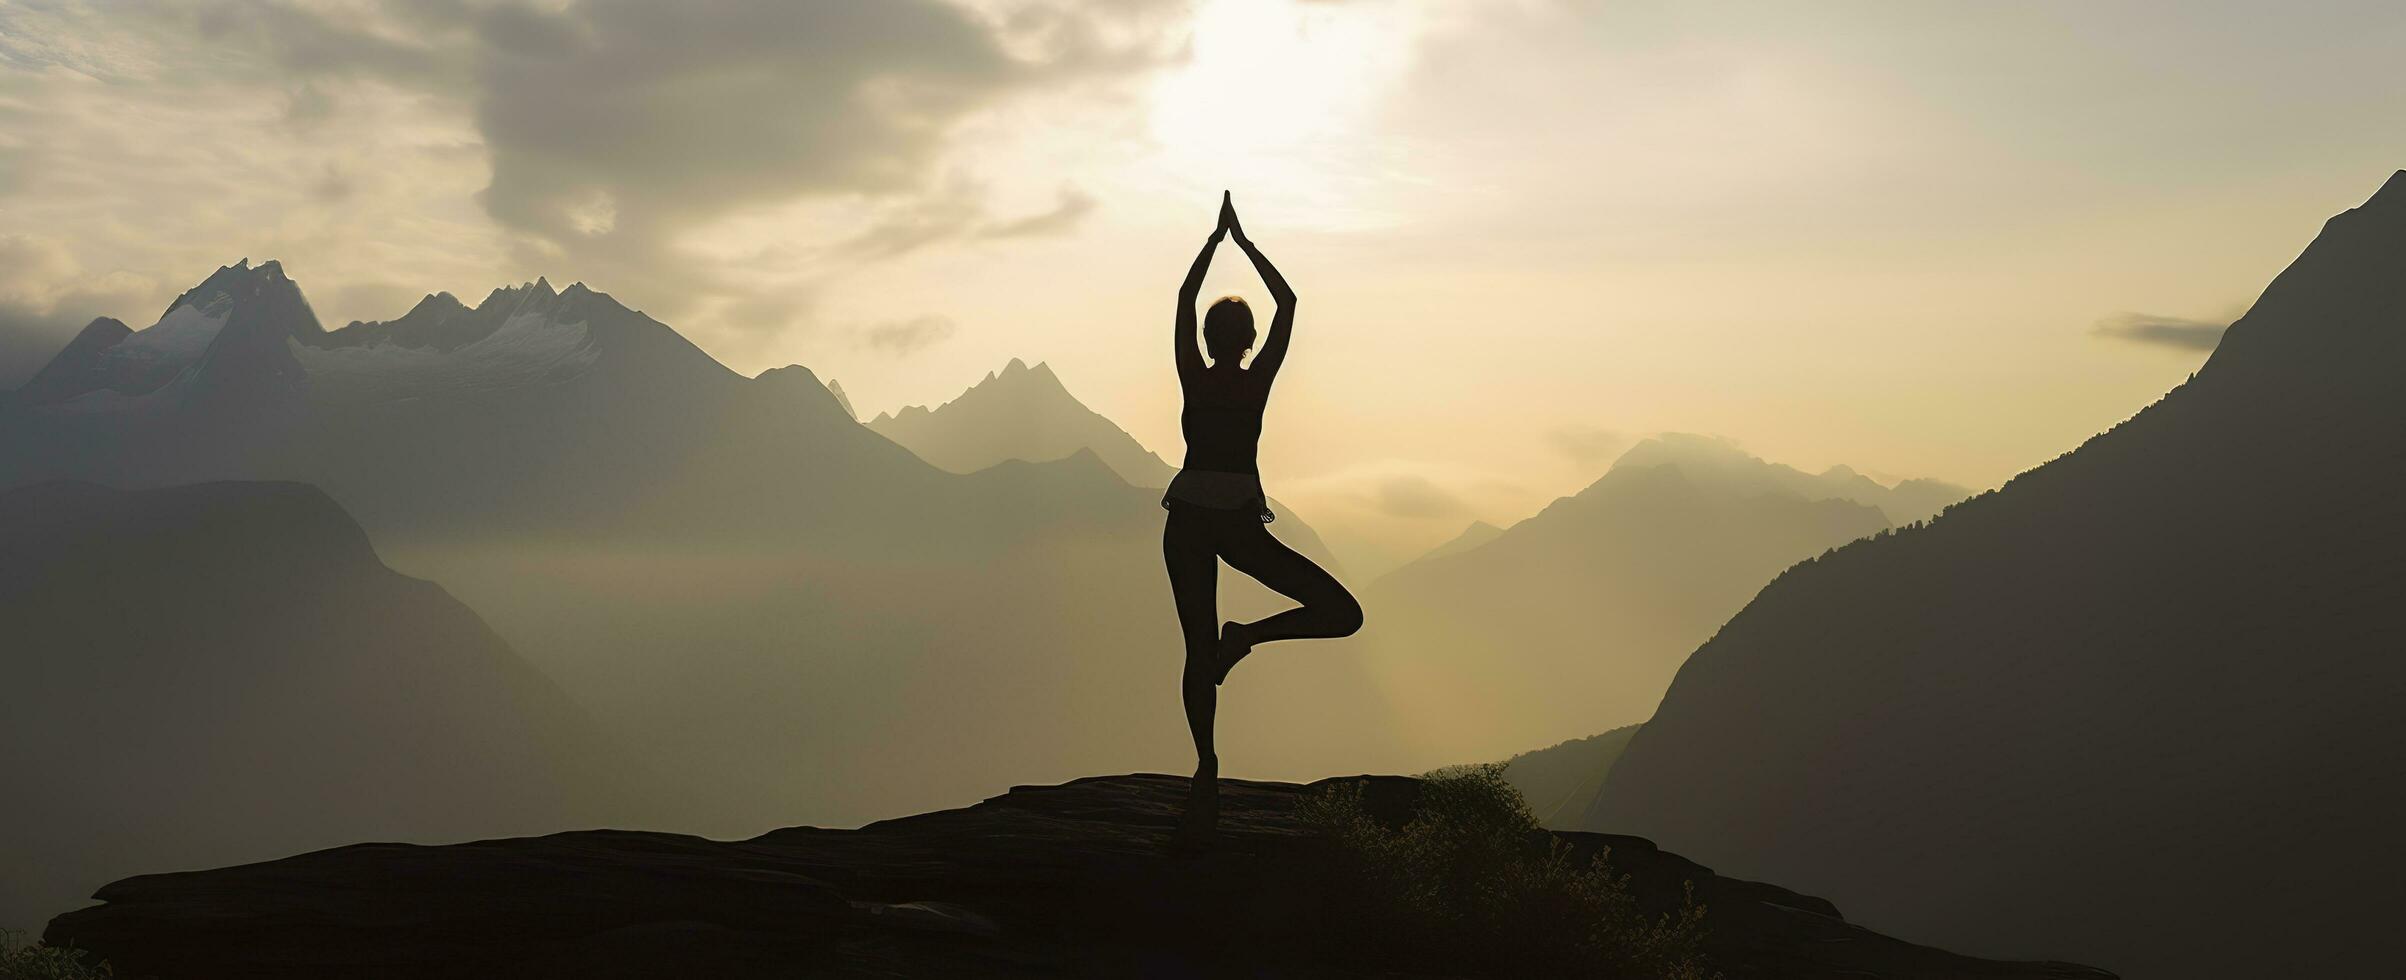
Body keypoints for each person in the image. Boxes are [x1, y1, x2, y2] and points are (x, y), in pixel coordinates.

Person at [1163, 191, 1364, 845]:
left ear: (1208, 341)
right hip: (1238, 525)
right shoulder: (1255, 382)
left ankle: (1207, 767)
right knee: (1341, 613)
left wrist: (1213, 244)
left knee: (1197, 651)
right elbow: (1290, 304)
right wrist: (1244, 245)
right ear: (1248, 341)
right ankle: (1247, 637)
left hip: (1190, 518)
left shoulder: (1194, 375)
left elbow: (1184, 301)